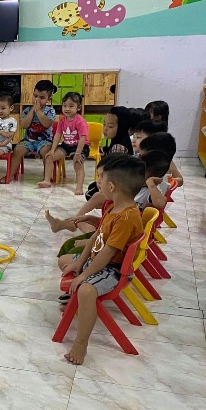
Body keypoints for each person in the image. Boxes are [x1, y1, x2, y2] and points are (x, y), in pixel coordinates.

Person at [57, 153, 146, 365]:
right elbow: (97, 236)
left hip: (113, 270)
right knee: (64, 261)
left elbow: (108, 253)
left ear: (112, 186)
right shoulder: (115, 206)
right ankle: (76, 299)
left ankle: (81, 343)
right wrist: (79, 263)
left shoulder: (126, 218)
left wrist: (84, 275)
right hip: (99, 261)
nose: (99, 182)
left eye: (101, 178)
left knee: (86, 291)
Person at [83, 106, 139, 201]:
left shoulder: (119, 147)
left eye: (110, 126)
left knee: (91, 194)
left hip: (117, 185)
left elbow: (114, 172)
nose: (105, 129)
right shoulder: (116, 141)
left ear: (122, 127)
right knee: (92, 188)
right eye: (104, 124)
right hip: (112, 181)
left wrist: (102, 183)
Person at [10, 79, 56, 185]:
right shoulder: (27, 110)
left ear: (49, 99)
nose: (37, 100)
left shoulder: (50, 111)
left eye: (42, 98)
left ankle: (46, 177)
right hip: (28, 140)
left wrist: (38, 111)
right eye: (35, 96)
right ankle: (11, 174)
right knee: (17, 150)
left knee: (46, 152)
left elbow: (46, 124)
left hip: (45, 141)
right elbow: (24, 125)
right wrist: (32, 111)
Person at [44, 92, 89, 193]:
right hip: (66, 145)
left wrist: (78, 153)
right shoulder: (62, 121)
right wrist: (52, 150)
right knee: (49, 157)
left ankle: (79, 187)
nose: (67, 109)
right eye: (64, 106)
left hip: (80, 146)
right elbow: (57, 135)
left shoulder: (80, 121)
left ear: (78, 107)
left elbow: (83, 138)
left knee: (78, 163)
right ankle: (47, 180)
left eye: (71, 106)